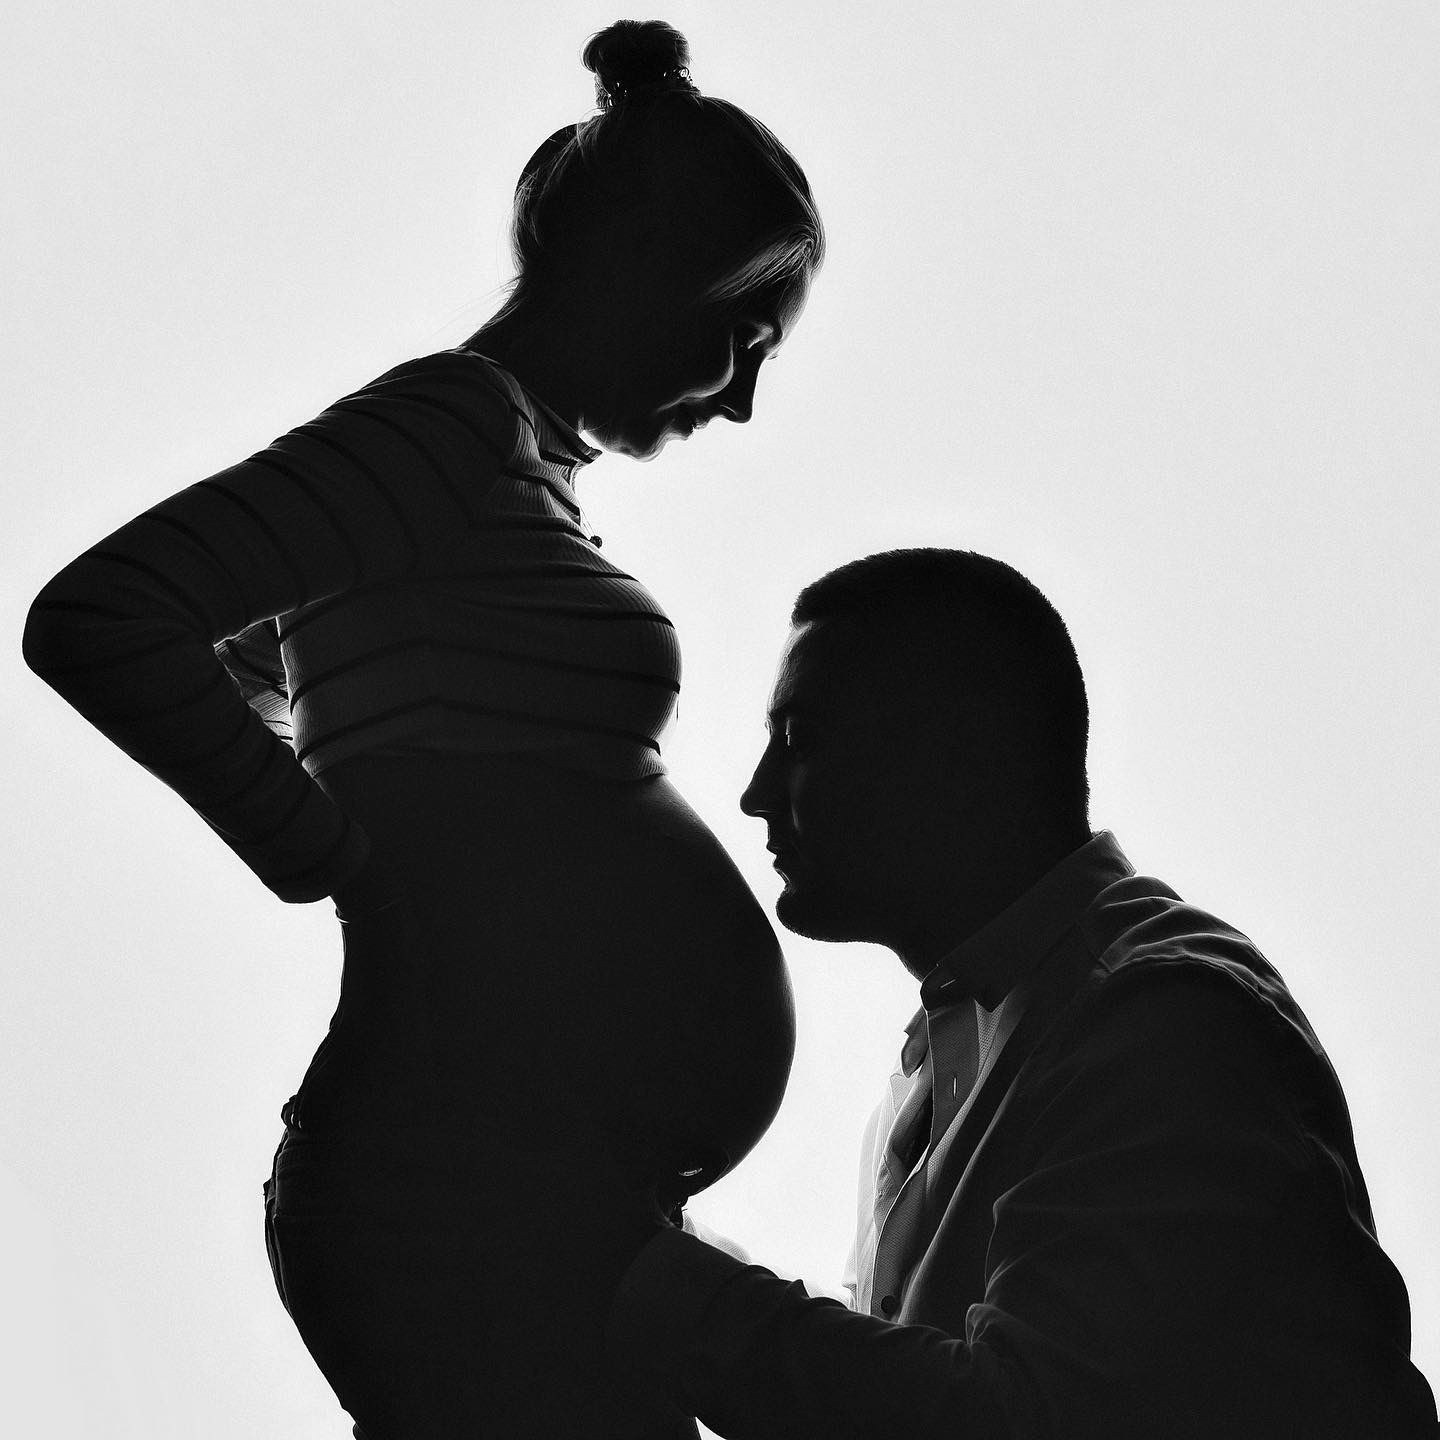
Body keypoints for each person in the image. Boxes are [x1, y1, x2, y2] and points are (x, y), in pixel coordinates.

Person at [23, 20, 821, 1439]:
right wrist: (341, 860)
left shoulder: (502, 470)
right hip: (450, 1176)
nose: (744, 401)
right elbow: (103, 617)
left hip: (520, 1169)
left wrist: (372, 772)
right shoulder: (447, 428)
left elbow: (285, 662)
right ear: (650, 268)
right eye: (739, 340)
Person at [602, 549, 1439, 1437]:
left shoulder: (1166, 1025)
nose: (755, 794)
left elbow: (1028, 1420)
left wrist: (642, 1276)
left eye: (800, 740)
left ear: (961, 751)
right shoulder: (963, 1053)